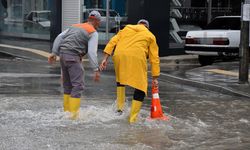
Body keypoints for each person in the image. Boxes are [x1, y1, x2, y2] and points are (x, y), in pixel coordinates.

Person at [99, 19, 160, 123]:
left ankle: (120, 109)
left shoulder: (126, 29)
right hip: (137, 56)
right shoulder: (150, 35)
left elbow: (112, 42)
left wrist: (105, 58)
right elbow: (154, 58)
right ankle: (133, 118)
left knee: (120, 80)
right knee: (141, 86)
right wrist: (155, 77)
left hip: (119, 55)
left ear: (138, 25)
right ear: (147, 27)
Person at [48, 10, 101, 119]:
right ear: (96, 21)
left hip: (62, 55)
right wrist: (96, 69)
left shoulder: (75, 26)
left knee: (67, 85)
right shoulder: (93, 32)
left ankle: (66, 113)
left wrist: (54, 53)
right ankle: (73, 117)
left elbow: (59, 37)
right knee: (78, 85)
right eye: (99, 22)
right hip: (72, 56)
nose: (99, 24)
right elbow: (92, 52)